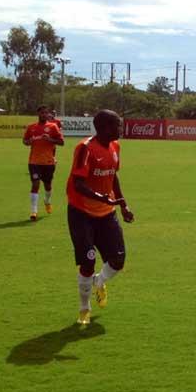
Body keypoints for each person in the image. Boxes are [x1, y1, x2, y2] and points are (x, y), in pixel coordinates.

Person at [65, 110, 135, 326]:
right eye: (117, 125)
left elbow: (113, 176)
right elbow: (78, 183)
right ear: (104, 127)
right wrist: (102, 197)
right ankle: (84, 309)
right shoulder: (85, 148)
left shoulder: (115, 147)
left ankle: (99, 281)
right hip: (81, 213)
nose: (121, 129)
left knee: (118, 261)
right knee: (87, 261)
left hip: (107, 213)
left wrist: (123, 204)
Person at [22, 105, 65, 220]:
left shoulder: (53, 126)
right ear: (38, 114)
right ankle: (33, 211)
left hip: (48, 162)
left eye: (46, 113)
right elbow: (24, 141)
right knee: (35, 184)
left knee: (48, 185)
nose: (44, 115)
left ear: (48, 114)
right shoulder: (31, 127)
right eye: (42, 113)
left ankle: (47, 200)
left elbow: (61, 142)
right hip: (34, 161)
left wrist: (50, 139)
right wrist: (28, 142)